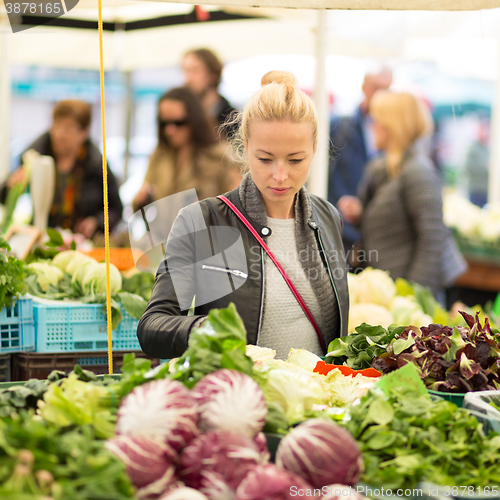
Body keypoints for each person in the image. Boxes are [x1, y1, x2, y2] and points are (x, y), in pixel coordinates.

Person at [137, 71, 349, 360]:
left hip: (319, 399)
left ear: (314, 150)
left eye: (296, 159)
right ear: (245, 147)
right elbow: (152, 325)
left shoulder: (327, 217)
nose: (280, 175)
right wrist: (206, 331)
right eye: (265, 159)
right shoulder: (202, 220)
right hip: (240, 397)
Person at [338, 91, 467, 301]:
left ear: (391, 126)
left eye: (376, 120)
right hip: (389, 288)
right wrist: (360, 215)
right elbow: (393, 225)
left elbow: (432, 240)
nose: (371, 126)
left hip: (408, 295)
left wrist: (411, 295)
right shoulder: (383, 168)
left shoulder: (418, 171)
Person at [0, 100, 123, 238]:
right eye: (56, 125)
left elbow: (116, 209)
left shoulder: (97, 165)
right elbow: (3, 196)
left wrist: (97, 222)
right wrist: (11, 186)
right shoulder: (35, 157)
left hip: (83, 242)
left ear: (84, 132)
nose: (59, 134)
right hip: (41, 238)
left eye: (68, 128)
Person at [132, 86, 240, 212]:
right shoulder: (159, 156)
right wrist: (141, 200)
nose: (170, 130)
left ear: (194, 120)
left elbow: (233, 209)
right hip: (165, 231)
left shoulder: (219, 157)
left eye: (179, 122)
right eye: (164, 123)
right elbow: (143, 197)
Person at [327, 66, 392, 258]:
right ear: (364, 87)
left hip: (374, 233)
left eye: (385, 88)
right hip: (341, 230)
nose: (380, 94)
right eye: (375, 87)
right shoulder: (340, 127)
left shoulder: (394, 131)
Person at [182, 48, 236, 136]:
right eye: (185, 70)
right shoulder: (182, 118)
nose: (188, 78)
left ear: (213, 75)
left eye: (195, 70)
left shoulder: (232, 119)